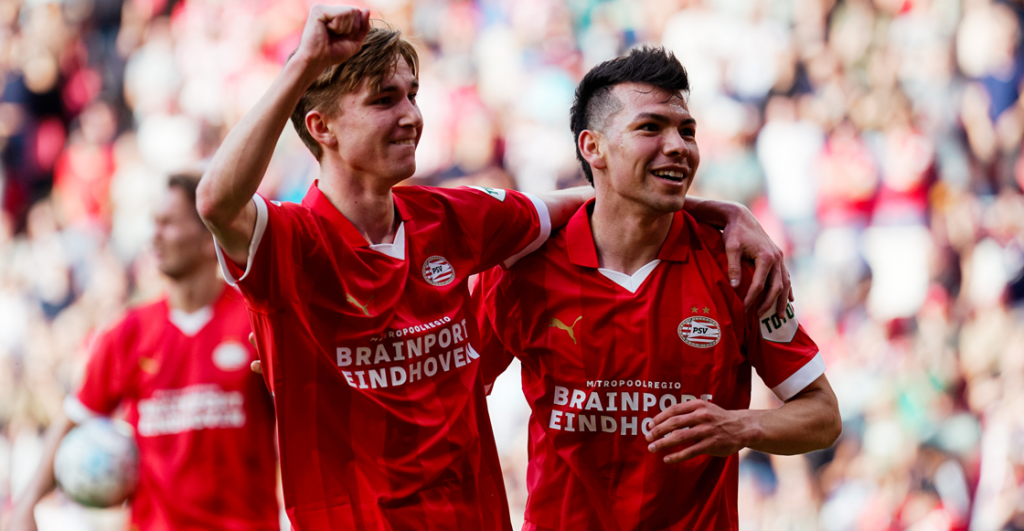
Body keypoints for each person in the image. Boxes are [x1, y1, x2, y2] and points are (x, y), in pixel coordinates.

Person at [197, 6, 793, 530]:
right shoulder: (292, 245)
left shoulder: (454, 217)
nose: (411, 115)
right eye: (385, 100)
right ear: (320, 128)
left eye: (412, 95)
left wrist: (725, 211)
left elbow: (605, 197)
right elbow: (217, 202)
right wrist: (303, 63)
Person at [475, 47, 842, 530]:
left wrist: (738, 426)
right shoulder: (522, 270)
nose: (678, 146)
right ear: (593, 147)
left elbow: (822, 414)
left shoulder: (739, 266)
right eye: (651, 128)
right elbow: (458, 396)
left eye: (687, 131)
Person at [8, 175, 280, 531]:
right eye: (153, 223)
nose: (154, 236)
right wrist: (26, 506)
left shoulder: (253, 322)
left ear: (206, 236)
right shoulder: (128, 332)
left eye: (168, 224)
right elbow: (74, 417)